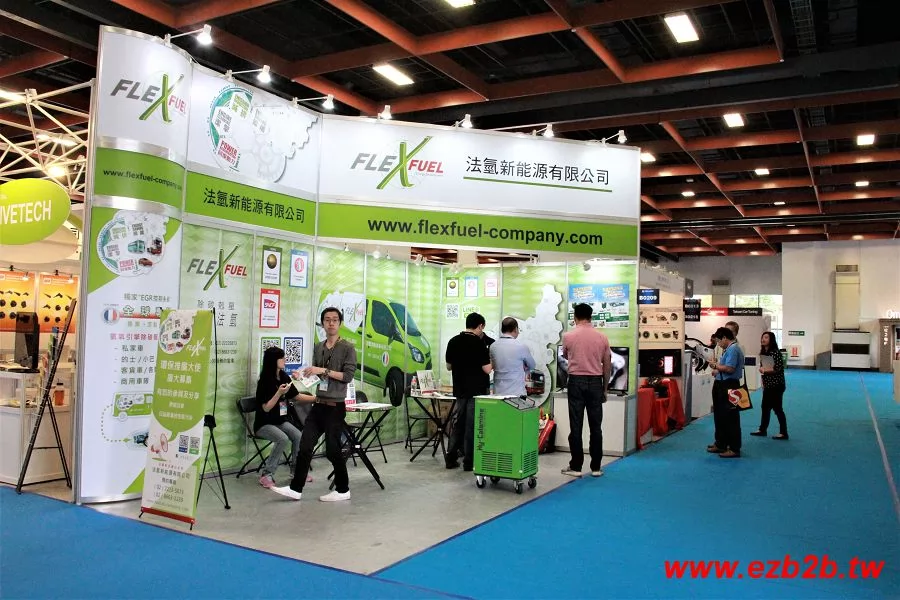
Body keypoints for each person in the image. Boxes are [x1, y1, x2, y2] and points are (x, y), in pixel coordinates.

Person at [272, 307, 357, 502]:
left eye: (335, 320)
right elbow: (316, 376)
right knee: (305, 446)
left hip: (335, 406)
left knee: (332, 450)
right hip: (318, 404)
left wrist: (322, 370)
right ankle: (296, 489)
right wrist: (302, 375)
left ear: (340, 323)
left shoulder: (348, 348)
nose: (331, 323)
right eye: (327, 320)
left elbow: (347, 376)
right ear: (323, 323)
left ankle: (343, 490)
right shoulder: (319, 347)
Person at [560, 303, 611, 478]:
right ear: (591, 317)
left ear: (575, 317)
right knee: (596, 426)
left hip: (575, 382)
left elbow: (566, 356)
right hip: (596, 382)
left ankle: (576, 466)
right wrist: (605, 388)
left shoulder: (568, 336)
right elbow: (607, 365)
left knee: (576, 425)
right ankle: (596, 467)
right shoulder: (602, 337)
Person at [254, 346, 307, 488]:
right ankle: (266, 474)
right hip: (264, 424)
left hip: (280, 421)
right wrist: (278, 393)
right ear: (273, 360)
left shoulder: (283, 376)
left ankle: (296, 472)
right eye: (282, 358)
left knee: (298, 435)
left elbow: (296, 396)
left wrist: (317, 399)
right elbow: (266, 408)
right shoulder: (264, 381)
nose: (285, 360)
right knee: (282, 438)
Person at [444, 312, 492, 470]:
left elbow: (449, 366)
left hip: (460, 389)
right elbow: (487, 369)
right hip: (476, 390)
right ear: (480, 326)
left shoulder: (453, 341)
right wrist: (494, 361)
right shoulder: (479, 344)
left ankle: (451, 458)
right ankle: (469, 462)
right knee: (472, 425)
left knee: (458, 423)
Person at [707, 326, 744, 458]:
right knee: (720, 416)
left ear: (724, 338)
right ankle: (721, 443)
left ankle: (734, 448)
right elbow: (726, 368)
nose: (718, 344)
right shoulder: (729, 349)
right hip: (722, 385)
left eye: (718, 341)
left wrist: (716, 366)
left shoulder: (733, 349)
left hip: (730, 386)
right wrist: (717, 369)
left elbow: (730, 369)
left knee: (731, 418)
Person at [751, 331, 788, 440]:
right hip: (768, 385)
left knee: (777, 409)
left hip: (776, 385)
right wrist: (763, 377)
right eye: (762, 337)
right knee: (765, 407)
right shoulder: (764, 352)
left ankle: (784, 433)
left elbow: (778, 368)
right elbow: (764, 368)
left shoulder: (775, 352)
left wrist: (765, 371)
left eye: (766, 337)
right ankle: (762, 429)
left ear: (771, 340)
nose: (763, 339)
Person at [490, 317, 536, 397]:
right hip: (517, 392)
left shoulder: (493, 346)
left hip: (498, 392)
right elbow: (532, 365)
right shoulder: (521, 346)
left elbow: (493, 365)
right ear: (515, 329)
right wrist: (525, 368)